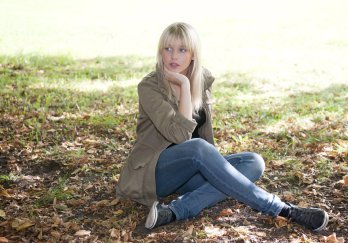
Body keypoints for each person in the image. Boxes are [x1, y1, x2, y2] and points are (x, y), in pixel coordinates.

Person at [116, 22, 329, 231]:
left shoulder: (202, 80)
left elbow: (203, 135)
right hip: (154, 174)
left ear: (193, 55)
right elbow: (181, 137)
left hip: (189, 172)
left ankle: (174, 211)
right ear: (160, 52)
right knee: (197, 148)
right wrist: (184, 85)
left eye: (182, 50)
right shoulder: (149, 87)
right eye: (168, 49)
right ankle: (282, 209)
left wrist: (217, 170)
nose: (173, 56)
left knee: (253, 162)